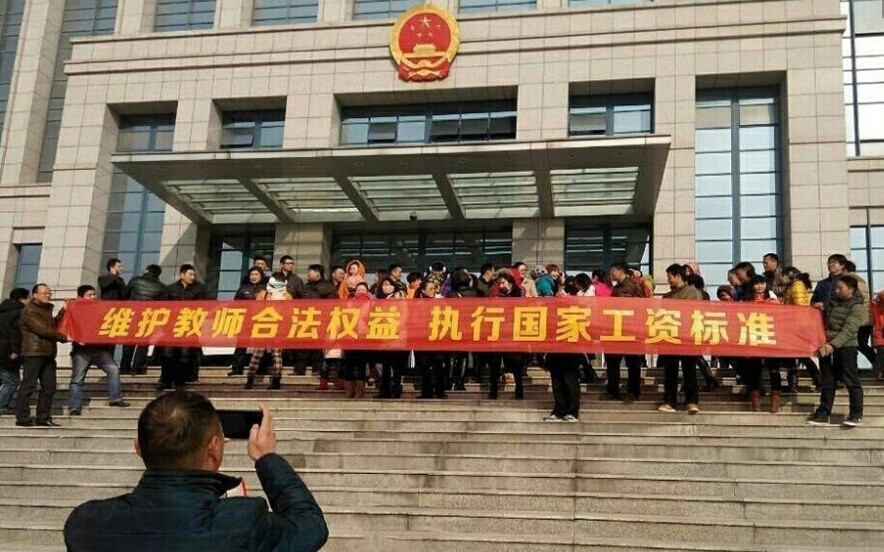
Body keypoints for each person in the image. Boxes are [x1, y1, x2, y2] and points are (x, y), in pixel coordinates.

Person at [63, 391, 329, 552]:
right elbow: (310, 525)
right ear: (214, 448)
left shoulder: (86, 524)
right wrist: (267, 457)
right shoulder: (242, 522)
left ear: (138, 448)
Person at [808, 275, 865, 428]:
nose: (837, 291)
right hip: (826, 346)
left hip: (846, 347)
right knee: (827, 381)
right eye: (836, 288)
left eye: (840, 288)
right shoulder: (833, 303)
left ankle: (856, 414)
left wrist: (833, 345)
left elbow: (849, 330)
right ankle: (823, 412)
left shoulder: (857, 307)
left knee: (851, 381)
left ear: (851, 289)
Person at [63, 285, 130, 415]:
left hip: (99, 349)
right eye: (89, 295)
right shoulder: (74, 309)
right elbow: (64, 324)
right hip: (82, 350)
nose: (92, 297)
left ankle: (115, 398)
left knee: (113, 369)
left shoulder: (100, 308)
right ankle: (74, 407)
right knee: (77, 379)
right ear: (80, 297)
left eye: (94, 294)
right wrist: (66, 308)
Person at [16, 284, 67, 427]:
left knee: (49, 386)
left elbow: (52, 326)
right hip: (33, 353)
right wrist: (64, 337)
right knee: (28, 386)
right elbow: (42, 330)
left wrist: (63, 311)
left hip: (48, 354)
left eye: (49, 293)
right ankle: (22, 417)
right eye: (44, 293)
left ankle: (43, 417)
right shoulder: (29, 310)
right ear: (34, 295)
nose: (47, 295)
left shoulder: (46, 309)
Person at [657, 265, 702, 415]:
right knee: (670, 371)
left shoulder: (693, 293)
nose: (668, 280)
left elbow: (698, 314)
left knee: (689, 371)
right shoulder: (667, 297)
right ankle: (669, 401)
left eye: (669, 277)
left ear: (677, 276)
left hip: (688, 337)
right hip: (671, 337)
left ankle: (691, 401)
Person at [158, 264, 206, 390]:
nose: (192, 277)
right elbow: (163, 307)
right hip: (171, 327)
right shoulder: (171, 289)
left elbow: (203, 307)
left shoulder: (199, 289)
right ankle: (165, 380)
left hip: (188, 326)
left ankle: (180, 381)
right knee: (168, 354)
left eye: (194, 275)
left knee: (184, 355)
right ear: (182, 275)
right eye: (190, 274)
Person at [743, 276, 783, 413]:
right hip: (753, 339)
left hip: (770, 338)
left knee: (774, 370)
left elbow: (781, 317)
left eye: (762, 283)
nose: (760, 286)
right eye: (756, 284)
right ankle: (756, 402)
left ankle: (775, 400)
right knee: (753, 371)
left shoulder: (773, 300)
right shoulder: (746, 301)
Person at [605, 263, 644, 403]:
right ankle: (613, 390)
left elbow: (641, 306)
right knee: (612, 361)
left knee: (633, 363)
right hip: (617, 329)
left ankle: (633, 392)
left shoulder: (634, 286)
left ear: (620, 271)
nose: (611, 275)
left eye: (613, 271)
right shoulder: (615, 288)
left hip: (631, 329)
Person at [245, 275, 291, 391]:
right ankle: (251, 379)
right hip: (266, 326)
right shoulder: (265, 294)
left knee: (274, 355)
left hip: (274, 327)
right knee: (260, 354)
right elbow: (255, 309)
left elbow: (289, 314)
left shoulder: (284, 296)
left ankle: (273, 381)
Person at [121, 264, 166, 375]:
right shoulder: (162, 287)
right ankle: (136, 368)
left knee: (128, 342)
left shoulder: (135, 280)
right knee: (143, 344)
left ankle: (124, 368)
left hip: (133, 314)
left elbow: (125, 295)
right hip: (148, 317)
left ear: (146, 270)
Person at [783, 266, 821, 390]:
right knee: (796, 354)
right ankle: (812, 380)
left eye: (784, 275)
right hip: (794, 324)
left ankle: (814, 380)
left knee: (799, 354)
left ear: (790, 275)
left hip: (796, 325)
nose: (782, 278)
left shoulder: (797, 286)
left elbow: (799, 307)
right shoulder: (793, 286)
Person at [303, 265, 339, 391]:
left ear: (318, 273)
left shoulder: (328, 286)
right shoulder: (306, 286)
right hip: (307, 320)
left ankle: (322, 373)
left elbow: (333, 304)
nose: (308, 274)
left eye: (310, 271)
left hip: (323, 321)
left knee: (322, 350)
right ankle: (302, 368)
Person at [490, 272, 525, 400]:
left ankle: (519, 389)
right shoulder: (496, 297)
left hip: (513, 335)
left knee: (516, 363)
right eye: (499, 283)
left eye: (503, 283)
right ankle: (493, 390)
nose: (501, 285)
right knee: (495, 363)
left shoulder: (519, 295)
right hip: (498, 334)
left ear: (510, 284)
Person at [228, 266, 265, 377]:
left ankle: (260, 369)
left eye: (256, 275)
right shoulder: (243, 288)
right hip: (245, 320)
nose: (254, 277)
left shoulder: (265, 288)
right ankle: (237, 368)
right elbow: (236, 303)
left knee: (259, 346)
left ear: (261, 276)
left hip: (260, 320)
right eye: (252, 275)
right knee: (241, 344)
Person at [415, 280, 448, 399]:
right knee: (425, 367)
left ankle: (440, 391)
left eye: (434, 288)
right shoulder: (418, 303)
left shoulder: (440, 301)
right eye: (430, 289)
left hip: (437, 339)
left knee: (439, 366)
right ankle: (426, 392)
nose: (433, 291)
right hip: (422, 339)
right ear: (423, 291)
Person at [377, 277, 408, 398]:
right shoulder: (380, 300)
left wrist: (395, 329)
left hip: (397, 336)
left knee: (396, 365)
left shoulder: (399, 297)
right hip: (384, 335)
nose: (386, 287)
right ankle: (384, 389)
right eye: (384, 284)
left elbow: (404, 315)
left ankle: (396, 388)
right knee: (385, 365)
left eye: (389, 284)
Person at [0, 288, 29, 414]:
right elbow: (15, 333)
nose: (29, 301)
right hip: (8, 351)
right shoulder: (19, 313)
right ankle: (1, 404)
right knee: (12, 381)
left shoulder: (3, 310)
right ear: (22, 299)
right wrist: (16, 350)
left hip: (2, 350)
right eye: (28, 298)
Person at [844, 260, 876, 367]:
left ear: (845, 269)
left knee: (857, 344)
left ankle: (878, 363)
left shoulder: (850, 281)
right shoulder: (860, 280)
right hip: (865, 319)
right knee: (860, 344)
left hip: (859, 319)